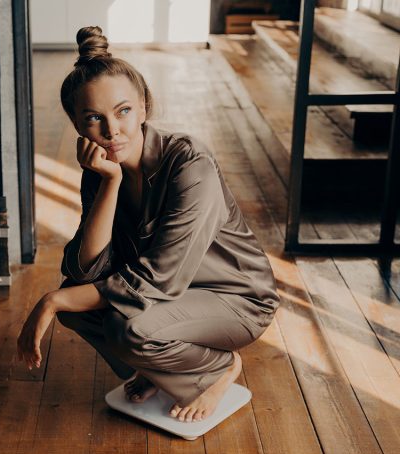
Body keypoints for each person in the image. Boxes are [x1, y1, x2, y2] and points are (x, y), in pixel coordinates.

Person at [17, 26, 280, 424]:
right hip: (173, 297)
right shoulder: (101, 168)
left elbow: (161, 279)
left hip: (235, 299)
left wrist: (50, 300)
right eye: (93, 119)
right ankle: (160, 370)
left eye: (123, 111)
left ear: (144, 107)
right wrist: (110, 183)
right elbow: (86, 267)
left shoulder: (191, 165)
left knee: (127, 328)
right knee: (77, 302)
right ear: (77, 125)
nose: (111, 131)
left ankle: (215, 370)